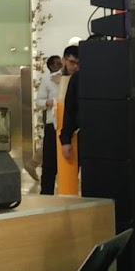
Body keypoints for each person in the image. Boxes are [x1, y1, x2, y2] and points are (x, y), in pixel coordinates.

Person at [36, 54, 65, 193]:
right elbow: (39, 102)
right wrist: (50, 103)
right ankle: (46, 195)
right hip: (52, 125)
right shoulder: (48, 79)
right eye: (59, 63)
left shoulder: (75, 78)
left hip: (71, 126)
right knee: (49, 164)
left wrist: (63, 82)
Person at [57, 45, 82, 196]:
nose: (74, 66)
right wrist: (65, 139)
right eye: (72, 62)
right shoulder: (76, 78)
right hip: (78, 132)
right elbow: (70, 110)